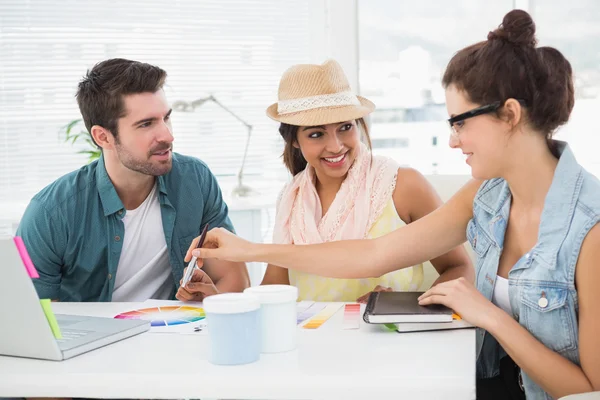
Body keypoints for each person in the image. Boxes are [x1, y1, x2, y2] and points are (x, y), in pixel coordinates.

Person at [187, 10, 600, 399]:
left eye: (460, 122)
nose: (453, 140)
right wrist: (246, 253)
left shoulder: (590, 227)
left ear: (509, 115)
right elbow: (374, 255)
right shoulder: (487, 197)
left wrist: (489, 315)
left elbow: (588, 389)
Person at [16, 58, 249, 303]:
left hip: (173, 332)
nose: (168, 135)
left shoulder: (195, 180)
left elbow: (234, 279)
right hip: (97, 339)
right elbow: (31, 313)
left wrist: (210, 299)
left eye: (166, 118)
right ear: (103, 137)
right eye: (146, 124)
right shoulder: (51, 212)